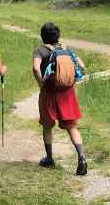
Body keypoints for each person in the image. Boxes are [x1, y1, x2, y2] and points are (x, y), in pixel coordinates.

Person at [32, 22, 88, 176]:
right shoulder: (66, 49)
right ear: (58, 35)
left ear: (43, 36)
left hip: (49, 93)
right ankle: (81, 157)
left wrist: (40, 83)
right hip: (67, 93)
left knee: (47, 126)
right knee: (72, 127)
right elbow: (82, 67)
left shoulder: (40, 50)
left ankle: (49, 158)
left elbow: (36, 68)